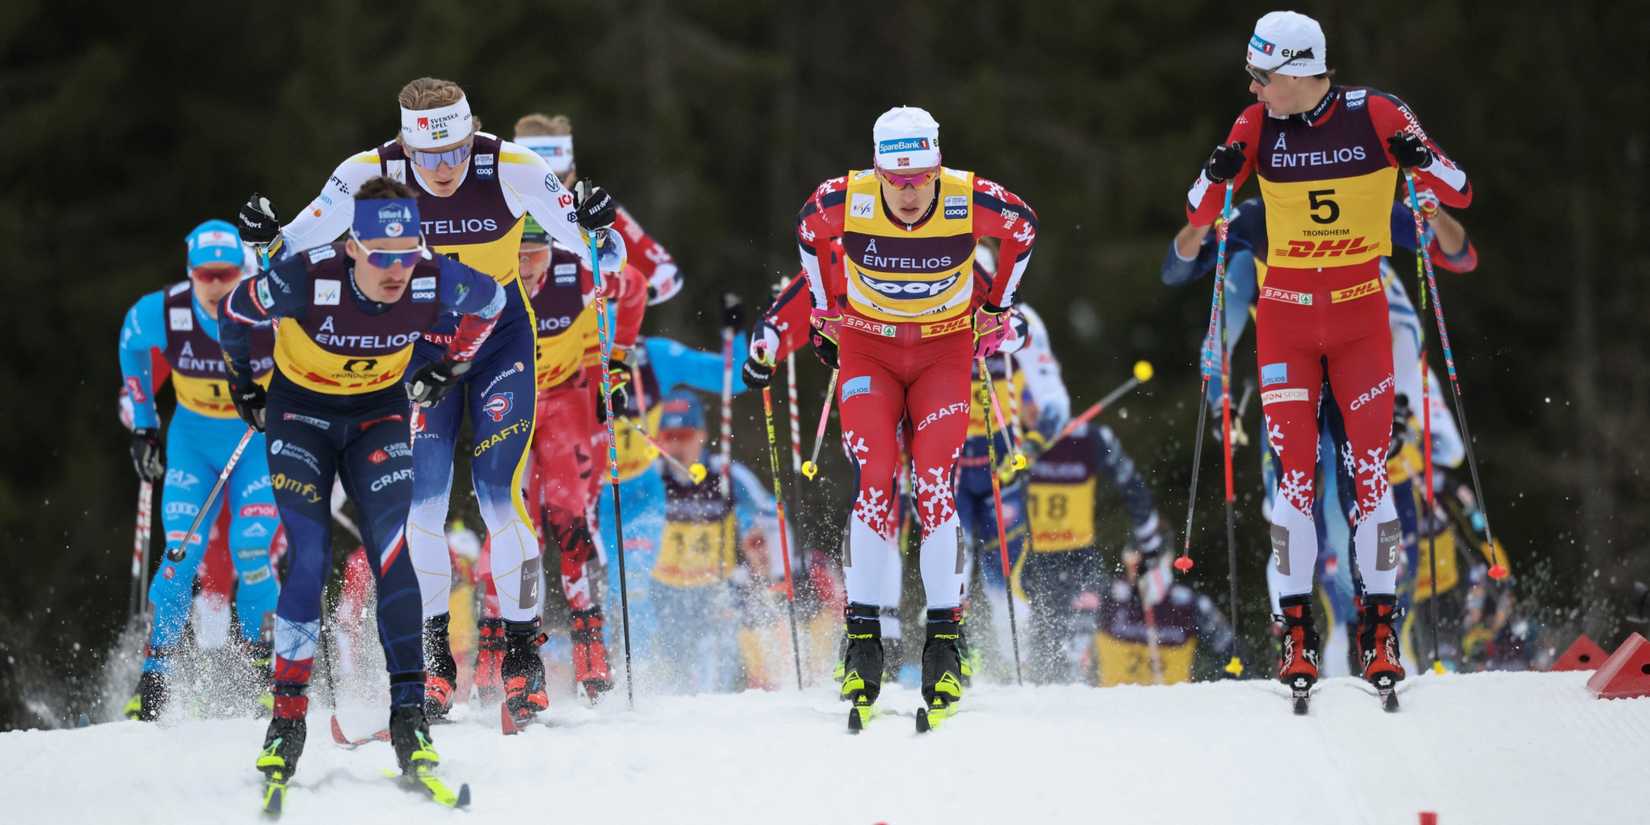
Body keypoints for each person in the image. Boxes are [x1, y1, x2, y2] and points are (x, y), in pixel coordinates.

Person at [236, 77, 625, 724]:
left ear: (473, 134)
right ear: (404, 147)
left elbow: (601, 256)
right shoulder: (366, 173)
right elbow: (285, 255)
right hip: (420, 350)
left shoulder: (515, 168)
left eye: (455, 152)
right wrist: (262, 234)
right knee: (424, 509)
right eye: (428, 158)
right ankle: (439, 661)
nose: (444, 170)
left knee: (499, 494)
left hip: (498, 337)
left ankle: (524, 660)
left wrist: (598, 223)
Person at [1183, 11, 1470, 699]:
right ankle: (1297, 632)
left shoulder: (1376, 111)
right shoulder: (1255, 127)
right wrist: (1215, 173)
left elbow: (1460, 190)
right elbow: (1198, 213)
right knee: (1297, 485)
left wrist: (1419, 158)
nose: (1253, 91)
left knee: (1371, 476)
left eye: (1262, 79)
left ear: (1299, 72)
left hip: (1360, 317)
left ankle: (1379, 626)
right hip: (1284, 321)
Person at [220, 178, 502, 796]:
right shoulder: (305, 277)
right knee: (311, 555)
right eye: (382, 255)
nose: (397, 270)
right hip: (301, 419)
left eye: (407, 252)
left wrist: (451, 362)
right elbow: (235, 311)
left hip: (378, 417)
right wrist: (244, 384)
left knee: (392, 548)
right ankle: (286, 723)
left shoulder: (430, 277)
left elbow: (492, 303)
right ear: (352, 247)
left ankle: (410, 721)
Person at [793, 105, 1038, 726]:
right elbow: (807, 232)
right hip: (869, 350)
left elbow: (1025, 228)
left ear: (937, 165)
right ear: (877, 169)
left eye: (918, 178)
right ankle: (863, 639)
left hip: (943, 353)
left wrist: (998, 307)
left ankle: (946, 642)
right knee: (875, 478)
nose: (906, 194)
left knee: (933, 481)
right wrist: (824, 311)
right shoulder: (842, 199)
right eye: (894, 180)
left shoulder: (967, 196)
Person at [1163, 195, 1479, 675]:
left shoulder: (1358, 198)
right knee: (1293, 506)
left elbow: (1414, 312)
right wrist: (1220, 399)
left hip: (1359, 379)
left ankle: (1385, 634)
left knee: (1366, 501)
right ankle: (1299, 634)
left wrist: (1402, 406)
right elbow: (1198, 299)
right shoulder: (1259, 224)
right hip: (1297, 386)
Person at [117, 220, 280, 720]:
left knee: (251, 548)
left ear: (241, 270)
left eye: (226, 273)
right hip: (192, 443)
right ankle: (156, 674)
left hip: (256, 442)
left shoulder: (266, 308)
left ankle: (262, 667)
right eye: (205, 275)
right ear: (190, 272)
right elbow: (131, 346)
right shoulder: (165, 311)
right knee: (181, 552)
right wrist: (144, 426)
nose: (215, 284)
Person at [513, 212, 646, 700]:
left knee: (571, 520)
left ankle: (593, 650)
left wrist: (616, 365)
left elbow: (633, 288)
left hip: (566, 404)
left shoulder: (577, 268)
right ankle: (502, 654)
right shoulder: (490, 277)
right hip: (512, 407)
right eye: (518, 255)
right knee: (514, 525)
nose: (527, 266)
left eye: (536, 254)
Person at [646, 390, 784, 692]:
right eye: (669, 436)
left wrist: (772, 568)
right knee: (669, 672)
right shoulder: (650, 479)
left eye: (685, 435)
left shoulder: (726, 475)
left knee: (715, 666)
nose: (677, 444)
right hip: (664, 591)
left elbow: (770, 516)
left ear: (702, 435)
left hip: (715, 589)